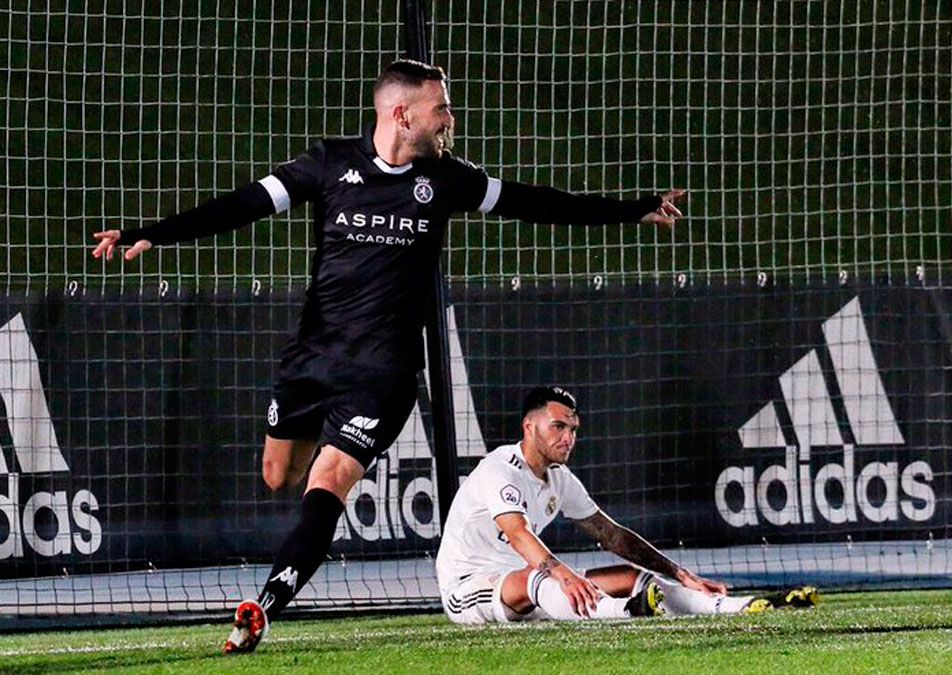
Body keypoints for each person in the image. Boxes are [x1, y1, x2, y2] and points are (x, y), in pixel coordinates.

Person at [90, 59, 686, 654]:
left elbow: (539, 202)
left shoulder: (445, 178)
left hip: (383, 373)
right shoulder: (328, 164)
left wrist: (634, 207)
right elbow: (242, 204)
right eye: (441, 108)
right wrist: (155, 233)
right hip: (311, 359)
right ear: (402, 113)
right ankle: (282, 561)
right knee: (280, 475)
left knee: (329, 481)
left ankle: (265, 606)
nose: (450, 119)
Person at [435, 385, 818, 624]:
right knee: (541, 577)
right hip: (469, 589)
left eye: (573, 430)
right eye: (558, 427)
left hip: (532, 587)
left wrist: (679, 571)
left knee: (633, 577)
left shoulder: (559, 479)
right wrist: (566, 576)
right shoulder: (500, 468)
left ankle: (742, 607)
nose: (569, 438)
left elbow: (611, 533)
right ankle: (624, 613)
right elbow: (518, 535)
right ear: (529, 427)